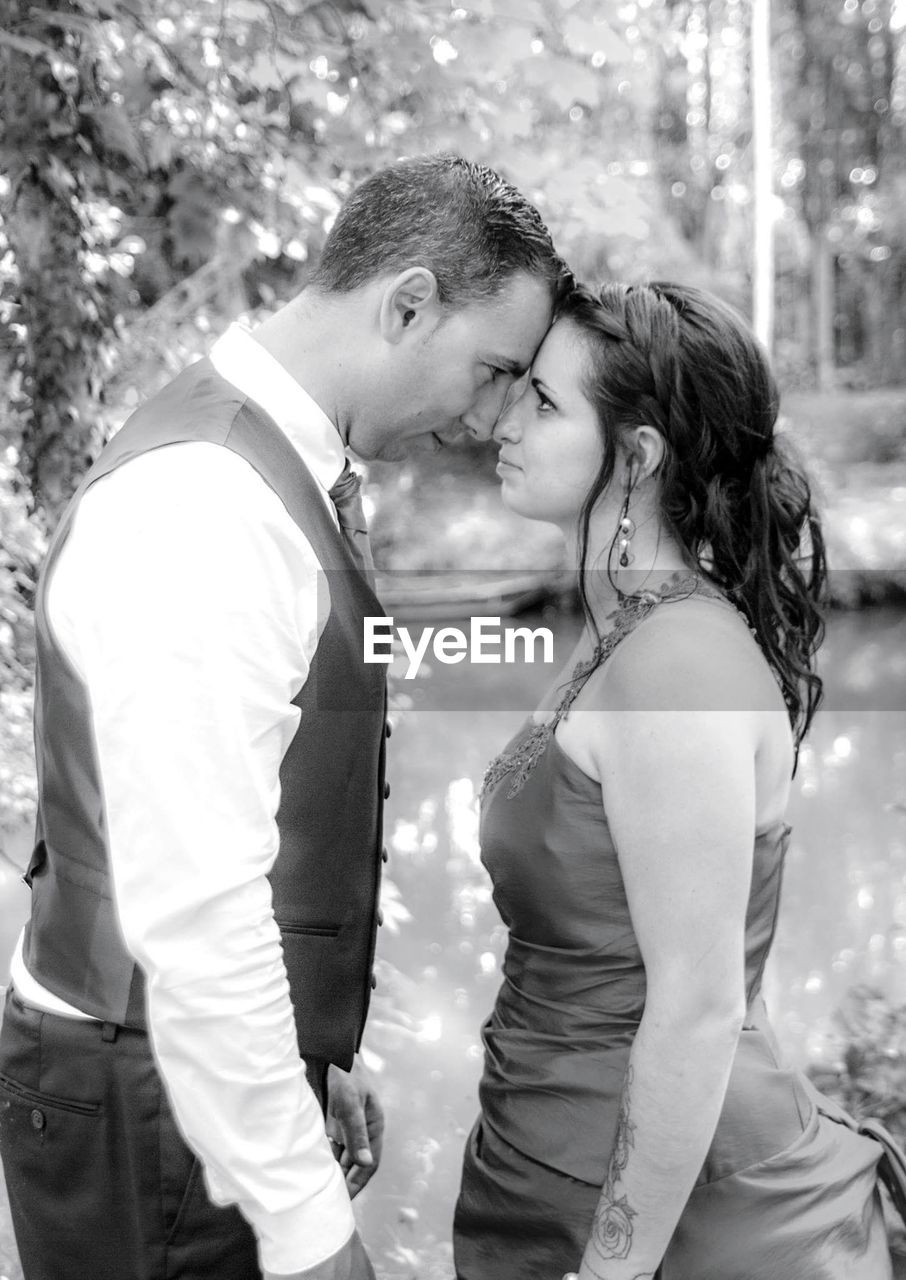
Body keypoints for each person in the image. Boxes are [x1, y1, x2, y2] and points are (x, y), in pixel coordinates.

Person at [0, 153, 569, 1280]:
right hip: (153, 1084)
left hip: (182, 1069)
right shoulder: (207, 506)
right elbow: (197, 916)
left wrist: (308, 1051)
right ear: (407, 303)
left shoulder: (272, 472)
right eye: (494, 368)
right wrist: (312, 1233)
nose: (487, 414)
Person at [453, 281, 902, 1279]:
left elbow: (697, 1005)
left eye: (543, 401)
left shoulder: (677, 665)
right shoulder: (626, 633)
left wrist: (613, 1270)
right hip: (549, 1171)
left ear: (641, 455)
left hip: (672, 1225)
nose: (503, 419)